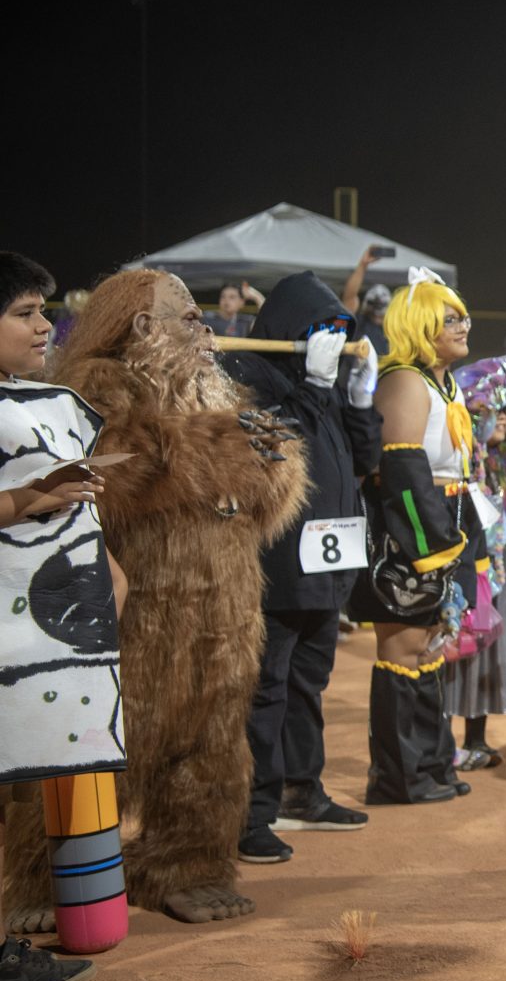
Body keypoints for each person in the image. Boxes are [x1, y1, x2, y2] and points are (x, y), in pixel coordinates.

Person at [15, 267, 308, 926]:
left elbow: (275, 491)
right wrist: (232, 449)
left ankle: (184, 866)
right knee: (91, 745)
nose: (206, 329)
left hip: (223, 621)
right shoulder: (92, 389)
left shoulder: (217, 392)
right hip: (131, 616)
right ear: (143, 329)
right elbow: (124, 468)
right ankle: (37, 875)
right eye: (189, 317)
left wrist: (269, 458)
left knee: (207, 750)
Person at [221, 272, 380, 864]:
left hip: (328, 564)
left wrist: (359, 400)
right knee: (267, 691)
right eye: (322, 331)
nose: (333, 343)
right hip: (279, 566)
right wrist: (313, 385)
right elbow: (281, 455)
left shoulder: (325, 383)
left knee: (308, 686)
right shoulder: (249, 379)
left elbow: (363, 459)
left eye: (339, 333)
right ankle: (251, 813)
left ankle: (301, 790)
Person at [0, 252, 122, 981]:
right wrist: (28, 500)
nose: (46, 325)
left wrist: (107, 576)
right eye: (24, 313)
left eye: (44, 311)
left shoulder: (42, 402)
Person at [350, 270, 476, 805]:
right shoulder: (403, 379)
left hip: (441, 525)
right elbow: (400, 471)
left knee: (428, 650)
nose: (464, 325)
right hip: (408, 537)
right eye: (450, 318)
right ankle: (399, 778)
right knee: (402, 650)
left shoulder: (442, 381)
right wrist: (434, 549)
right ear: (421, 326)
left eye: (462, 315)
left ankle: (430, 764)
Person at [447, 355, 506, 765]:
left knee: (491, 649)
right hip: (466, 562)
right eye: (492, 409)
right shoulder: (462, 458)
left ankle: (477, 736)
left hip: (500, 562)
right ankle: (443, 740)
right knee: (459, 648)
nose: (501, 418)